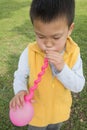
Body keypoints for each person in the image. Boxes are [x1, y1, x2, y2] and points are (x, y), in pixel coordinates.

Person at [9, 0, 85, 130]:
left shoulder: (73, 53)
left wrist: (62, 68)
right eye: (41, 36)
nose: (48, 44)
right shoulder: (30, 52)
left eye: (56, 37)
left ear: (69, 29)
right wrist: (20, 90)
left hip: (58, 113)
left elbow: (78, 86)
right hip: (36, 114)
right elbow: (20, 76)